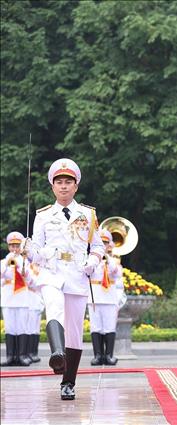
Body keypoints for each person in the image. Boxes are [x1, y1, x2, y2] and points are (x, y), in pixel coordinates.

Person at [25, 158, 105, 400]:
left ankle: (68, 381)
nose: (63, 186)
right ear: (52, 186)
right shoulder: (43, 215)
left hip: (77, 275)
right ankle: (57, 354)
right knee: (54, 308)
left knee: (74, 331)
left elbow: (98, 247)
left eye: (68, 182)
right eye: (58, 182)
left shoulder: (88, 214)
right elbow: (37, 249)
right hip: (52, 272)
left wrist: (92, 262)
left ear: (76, 186)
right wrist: (30, 251)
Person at [88, 229, 124, 366]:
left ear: (110, 244)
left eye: (105, 243)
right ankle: (98, 355)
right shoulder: (91, 259)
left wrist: (107, 258)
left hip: (109, 297)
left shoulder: (114, 259)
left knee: (109, 327)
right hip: (95, 297)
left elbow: (115, 272)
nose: (103, 245)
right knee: (95, 326)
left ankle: (109, 355)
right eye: (101, 242)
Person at [1, 231, 34, 367]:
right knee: (10, 328)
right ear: (8, 247)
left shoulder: (25, 261)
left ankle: (21, 356)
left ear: (21, 247)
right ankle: (10, 356)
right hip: (8, 298)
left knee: (21, 327)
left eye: (17, 246)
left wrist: (23, 269)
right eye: (12, 246)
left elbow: (32, 281)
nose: (14, 249)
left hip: (22, 298)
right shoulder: (4, 262)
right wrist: (7, 264)